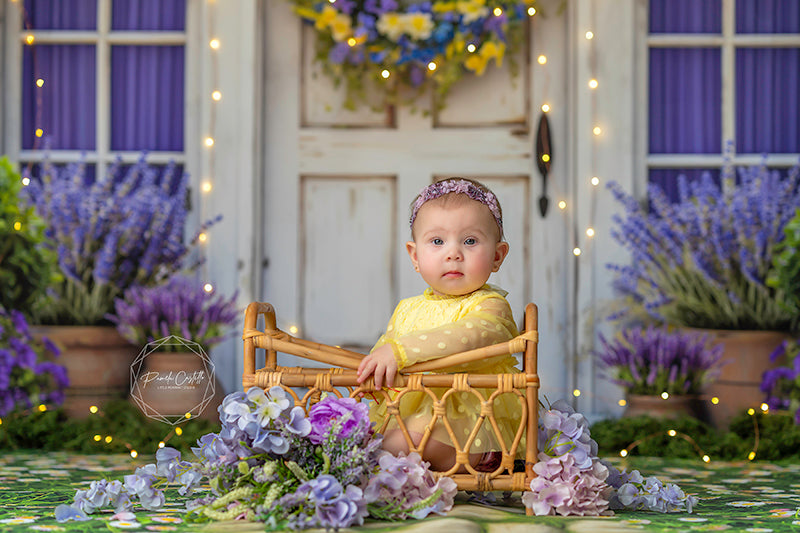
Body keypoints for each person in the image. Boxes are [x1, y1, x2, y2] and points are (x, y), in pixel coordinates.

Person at [357, 177, 522, 472]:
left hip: (470, 420)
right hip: (409, 408)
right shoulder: (406, 309)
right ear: (415, 255)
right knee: (378, 440)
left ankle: (484, 457)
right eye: (437, 241)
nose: (453, 253)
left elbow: (470, 337)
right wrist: (376, 374)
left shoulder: (490, 307)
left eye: (470, 241)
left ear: (497, 256)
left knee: (401, 446)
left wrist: (400, 351)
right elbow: (384, 353)